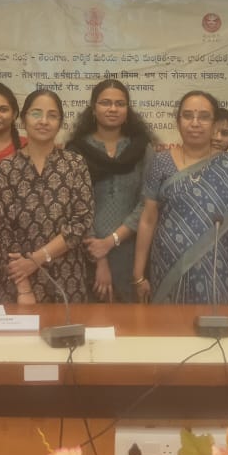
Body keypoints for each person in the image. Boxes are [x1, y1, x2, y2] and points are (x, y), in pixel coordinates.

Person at [132, 91, 228, 305]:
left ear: (214, 124)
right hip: (166, 268)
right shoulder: (160, 162)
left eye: (203, 117)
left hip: (216, 270)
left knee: (213, 323)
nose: (195, 123)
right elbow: (148, 219)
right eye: (188, 116)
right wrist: (138, 275)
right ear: (178, 121)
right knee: (166, 325)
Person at [0, 90, 94, 304]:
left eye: (52, 115)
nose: (44, 121)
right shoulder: (5, 169)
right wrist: (24, 288)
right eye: (36, 114)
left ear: (60, 123)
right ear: (23, 120)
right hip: (19, 280)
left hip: (67, 279)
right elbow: (3, 233)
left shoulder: (75, 164)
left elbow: (81, 222)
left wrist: (37, 259)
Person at [66, 79, 157, 303]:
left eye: (120, 104)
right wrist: (100, 256)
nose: (113, 109)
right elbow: (75, 207)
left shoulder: (142, 149)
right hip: (86, 253)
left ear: (127, 110)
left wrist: (111, 241)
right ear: (93, 109)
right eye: (105, 103)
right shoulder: (75, 152)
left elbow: (147, 203)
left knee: (132, 321)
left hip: (133, 253)